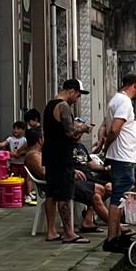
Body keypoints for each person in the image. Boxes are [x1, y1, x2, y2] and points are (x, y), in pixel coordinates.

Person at [41, 79, 94, 244]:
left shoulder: (50, 105)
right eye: (78, 94)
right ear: (71, 90)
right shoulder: (63, 106)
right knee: (64, 194)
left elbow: (63, 133)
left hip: (50, 156)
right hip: (62, 157)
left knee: (51, 194)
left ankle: (51, 231)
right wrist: (84, 128)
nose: (78, 99)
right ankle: (69, 232)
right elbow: (70, 132)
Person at [101, 72, 136, 253]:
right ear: (135, 85)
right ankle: (112, 238)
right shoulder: (124, 102)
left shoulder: (115, 100)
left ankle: (116, 234)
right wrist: (107, 145)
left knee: (121, 195)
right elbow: (115, 128)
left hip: (122, 155)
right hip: (123, 155)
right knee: (119, 196)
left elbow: (106, 125)